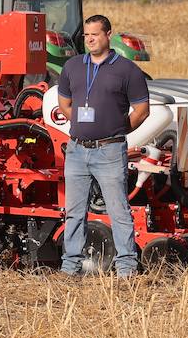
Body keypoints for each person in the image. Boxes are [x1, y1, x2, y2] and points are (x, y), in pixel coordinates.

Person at [56, 14, 150, 277]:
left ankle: (127, 269)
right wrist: (80, 122)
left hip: (110, 150)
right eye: (86, 35)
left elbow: (142, 110)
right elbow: (64, 104)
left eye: (95, 34)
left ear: (108, 34)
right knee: (74, 212)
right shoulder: (72, 66)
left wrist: (117, 130)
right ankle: (70, 268)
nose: (90, 40)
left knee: (119, 211)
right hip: (76, 150)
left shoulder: (127, 70)